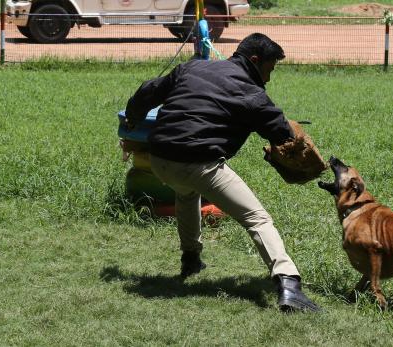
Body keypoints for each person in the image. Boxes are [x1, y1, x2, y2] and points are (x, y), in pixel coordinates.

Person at [125, 33, 320, 312]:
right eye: (269, 69)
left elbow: (149, 89)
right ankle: (289, 285)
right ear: (255, 61)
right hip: (198, 164)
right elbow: (284, 136)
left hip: (158, 158)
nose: (268, 78)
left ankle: (191, 258)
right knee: (258, 219)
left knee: (187, 192)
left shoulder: (193, 67)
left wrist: (133, 117)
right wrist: (292, 134)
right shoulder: (254, 95)